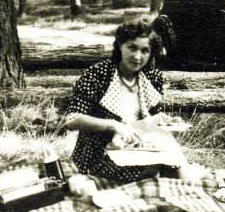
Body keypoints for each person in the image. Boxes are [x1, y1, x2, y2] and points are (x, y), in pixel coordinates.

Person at [63, 20, 169, 183]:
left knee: (184, 171)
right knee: (155, 180)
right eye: (132, 47)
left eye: (145, 51)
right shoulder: (99, 74)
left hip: (142, 152)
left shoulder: (152, 78)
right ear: (119, 46)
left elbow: (152, 120)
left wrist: (163, 120)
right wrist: (113, 125)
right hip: (100, 156)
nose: (137, 57)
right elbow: (72, 119)